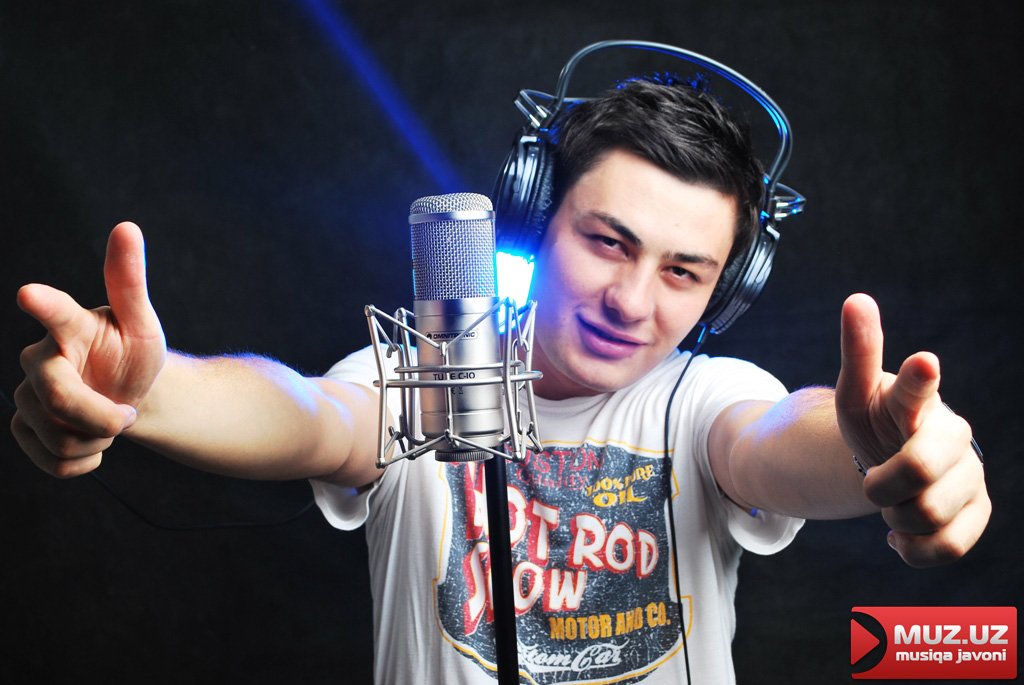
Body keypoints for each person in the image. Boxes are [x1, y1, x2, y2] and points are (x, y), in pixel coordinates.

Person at [11, 75, 989, 684]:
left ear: (722, 293)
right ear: (535, 222)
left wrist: (881, 452)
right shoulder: (430, 378)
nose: (632, 300)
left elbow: (779, 442)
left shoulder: (703, 400)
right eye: (608, 242)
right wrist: (147, 392)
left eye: (683, 272)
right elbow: (310, 414)